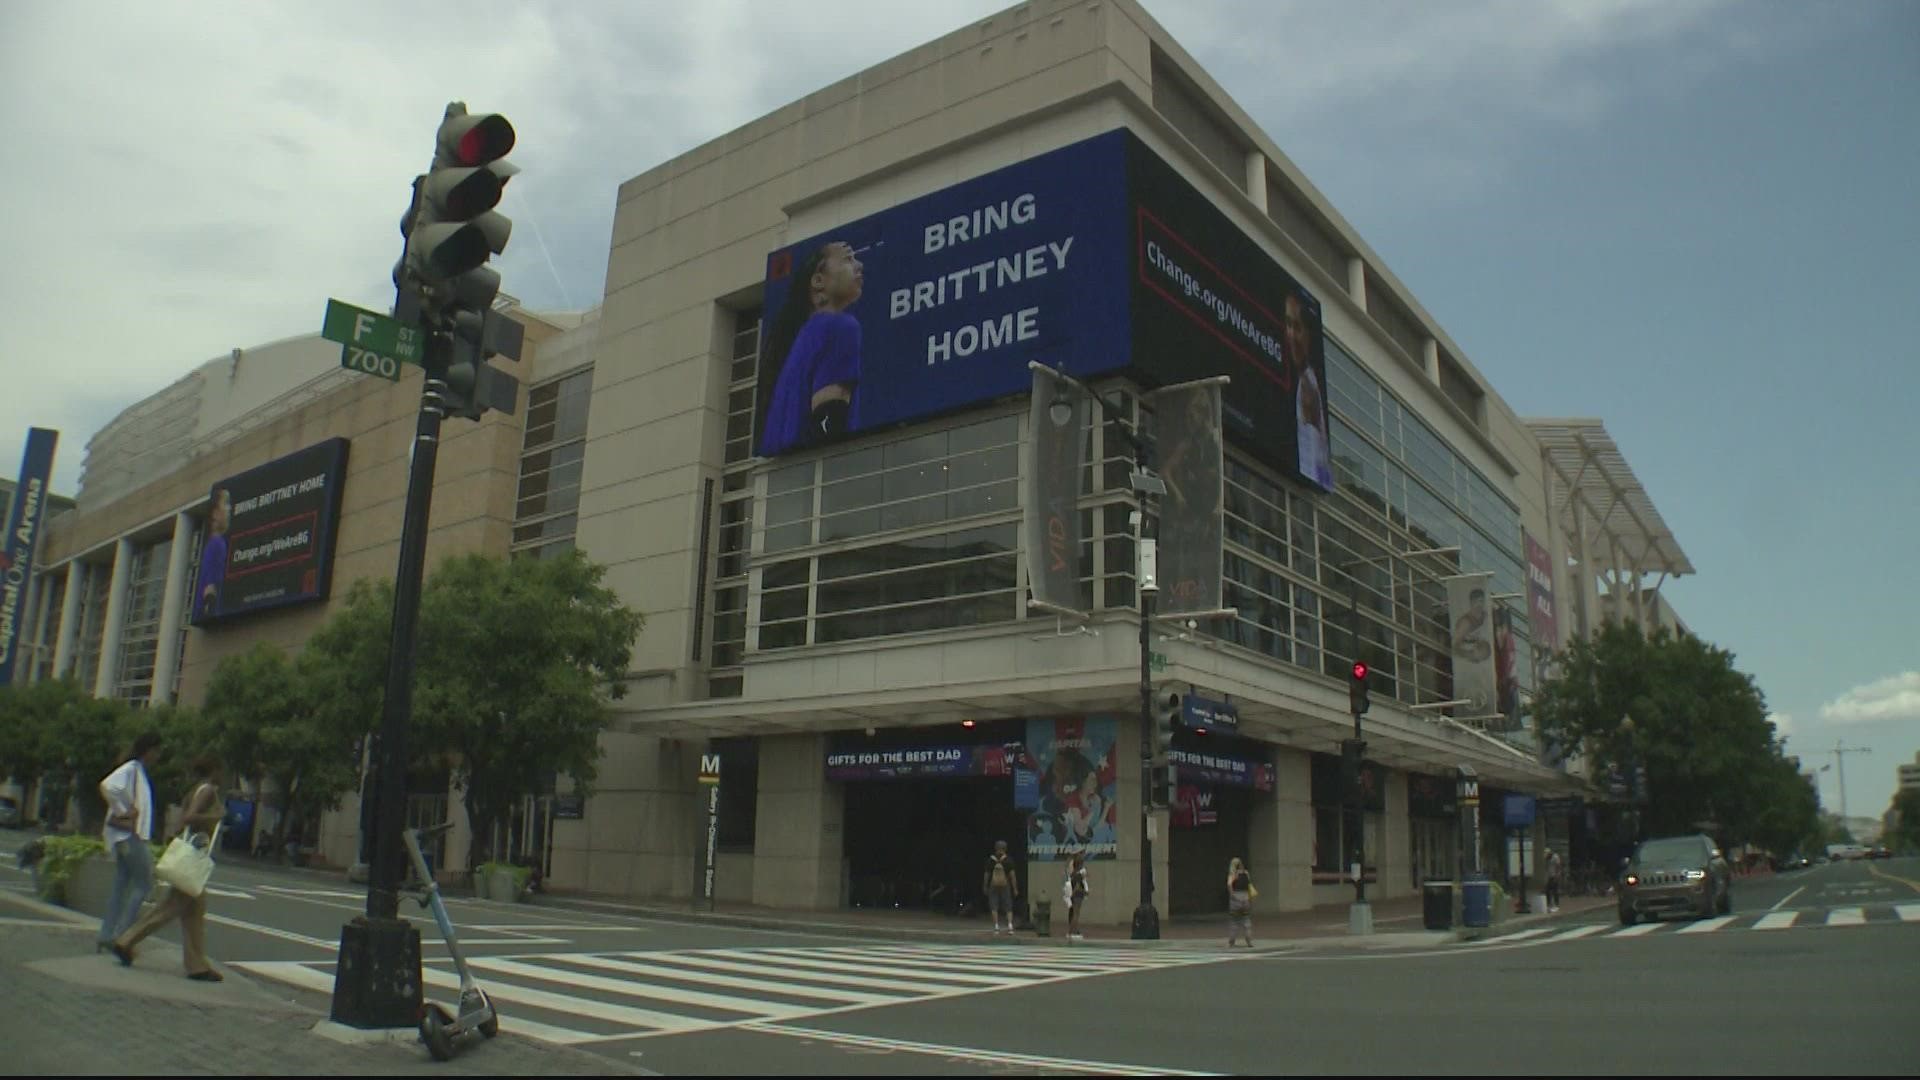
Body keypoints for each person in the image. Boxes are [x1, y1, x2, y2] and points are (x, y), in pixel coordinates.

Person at [110, 752, 225, 982]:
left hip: (191, 857)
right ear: (214, 770)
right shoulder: (208, 791)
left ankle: (197, 965)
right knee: (169, 909)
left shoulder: (196, 789)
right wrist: (217, 815)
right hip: (193, 859)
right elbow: (190, 817)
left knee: (194, 911)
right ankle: (126, 940)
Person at [758, 241, 865, 456]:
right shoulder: (840, 327)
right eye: (848, 258)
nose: (859, 265)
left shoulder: (804, 339)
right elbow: (828, 420)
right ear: (818, 281)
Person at [97, 732, 162, 955]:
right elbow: (107, 786)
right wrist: (124, 811)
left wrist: (122, 810)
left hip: (122, 836)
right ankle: (122, 936)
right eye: (156, 750)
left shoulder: (136, 770)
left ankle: (107, 935)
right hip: (130, 836)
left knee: (121, 884)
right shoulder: (132, 769)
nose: (158, 755)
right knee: (144, 884)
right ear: (149, 750)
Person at [1286, 293, 1333, 491]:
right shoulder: (1298, 381)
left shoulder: (1310, 388)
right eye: (1288, 324)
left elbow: (1318, 469)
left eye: (1298, 327)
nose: (1292, 335)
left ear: (1308, 335)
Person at [196, 488, 231, 619]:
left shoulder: (210, 544)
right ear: (215, 513)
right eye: (226, 503)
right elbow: (210, 591)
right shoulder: (217, 544)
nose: (229, 509)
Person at [983, 840, 1020, 936]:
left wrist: (985, 886)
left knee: (994, 905)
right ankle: (1010, 926)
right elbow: (1012, 876)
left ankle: (996, 926)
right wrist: (1015, 888)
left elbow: (986, 874)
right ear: (1005, 848)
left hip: (993, 885)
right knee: (1008, 906)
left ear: (996, 848)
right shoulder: (1008, 860)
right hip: (1005, 885)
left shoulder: (991, 860)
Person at [1226, 857, 1256, 948]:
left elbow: (1229, 884)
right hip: (1245, 897)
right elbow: (1249, 884)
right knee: (1246, 920)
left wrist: (1232, 895)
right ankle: (1249, 941)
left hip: (1236, 897)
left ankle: (1232, 941)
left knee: (1234, 921)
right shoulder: (1246, 873)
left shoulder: (1233, 874)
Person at [1063, 851, 1090, 942]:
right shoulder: (1078, 875)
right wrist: (1083, 892)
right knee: (1076, 914)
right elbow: (1078, 886)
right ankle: (1071, 932)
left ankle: (1072, 931)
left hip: (1075, 894)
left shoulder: (1074, 874)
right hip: (1077, 895)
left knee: (1075, 914)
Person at [1544, 847, 1564, 914]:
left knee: (1555, 890)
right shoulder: (1547, 859)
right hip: (1550, 876)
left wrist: (1557, 875)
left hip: (1555, 876)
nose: (1546, 855)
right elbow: (1547, 868)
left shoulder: (1555, 857)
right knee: (1547, 890)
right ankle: (1548, 905)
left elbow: (1558, 866)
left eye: (1547, 854)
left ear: (1549, 853)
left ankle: (1556, 905)